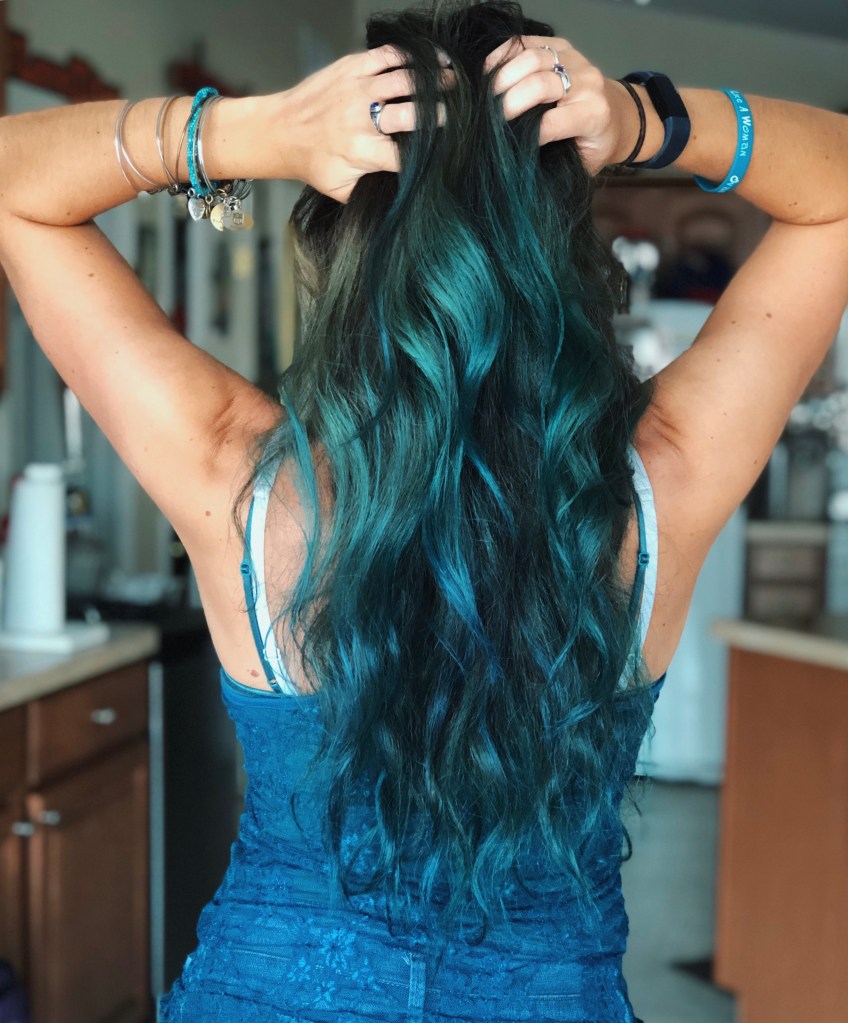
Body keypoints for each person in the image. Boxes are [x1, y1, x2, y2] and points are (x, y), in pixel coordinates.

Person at [1, 0, 846, 1019]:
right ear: (565, 237)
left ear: (341, 236)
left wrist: (251, 132)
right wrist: (641, 121)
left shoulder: (235, 471)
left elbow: (15, 188)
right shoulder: (656, 482)